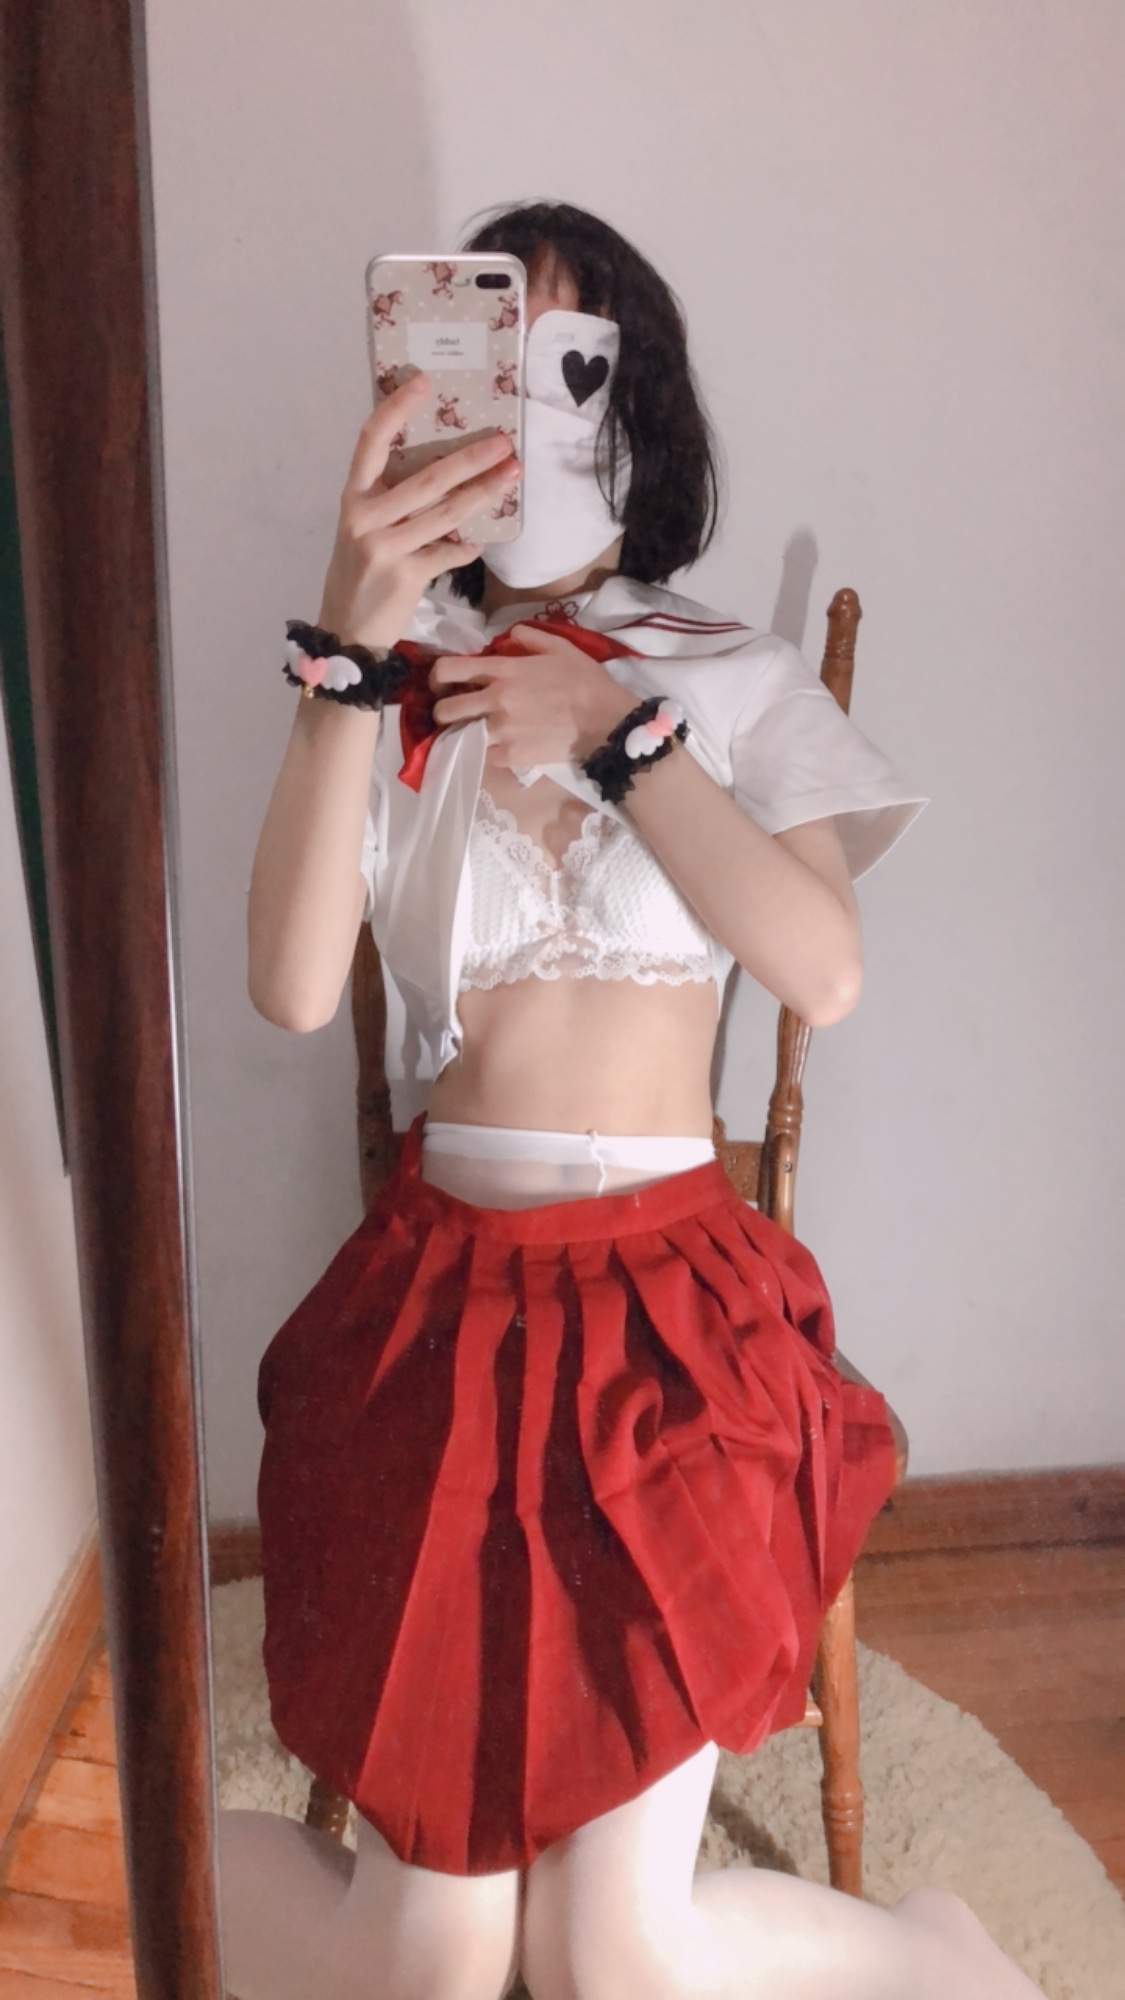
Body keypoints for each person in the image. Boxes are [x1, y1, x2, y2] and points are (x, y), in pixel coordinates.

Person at [224, 203, 1043, 2000]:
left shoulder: (723, 674)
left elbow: (820, 971)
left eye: (573, 366)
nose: (531, 412)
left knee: (618, 1960)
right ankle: (132, 1834)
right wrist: (352, 643)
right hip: (441, 1306)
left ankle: (930, 1950)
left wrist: (618, 740)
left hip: (669, 1323)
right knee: (433, 1961)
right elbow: (291, 990)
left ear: (636, 401)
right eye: (485, 360)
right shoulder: (387, 682)